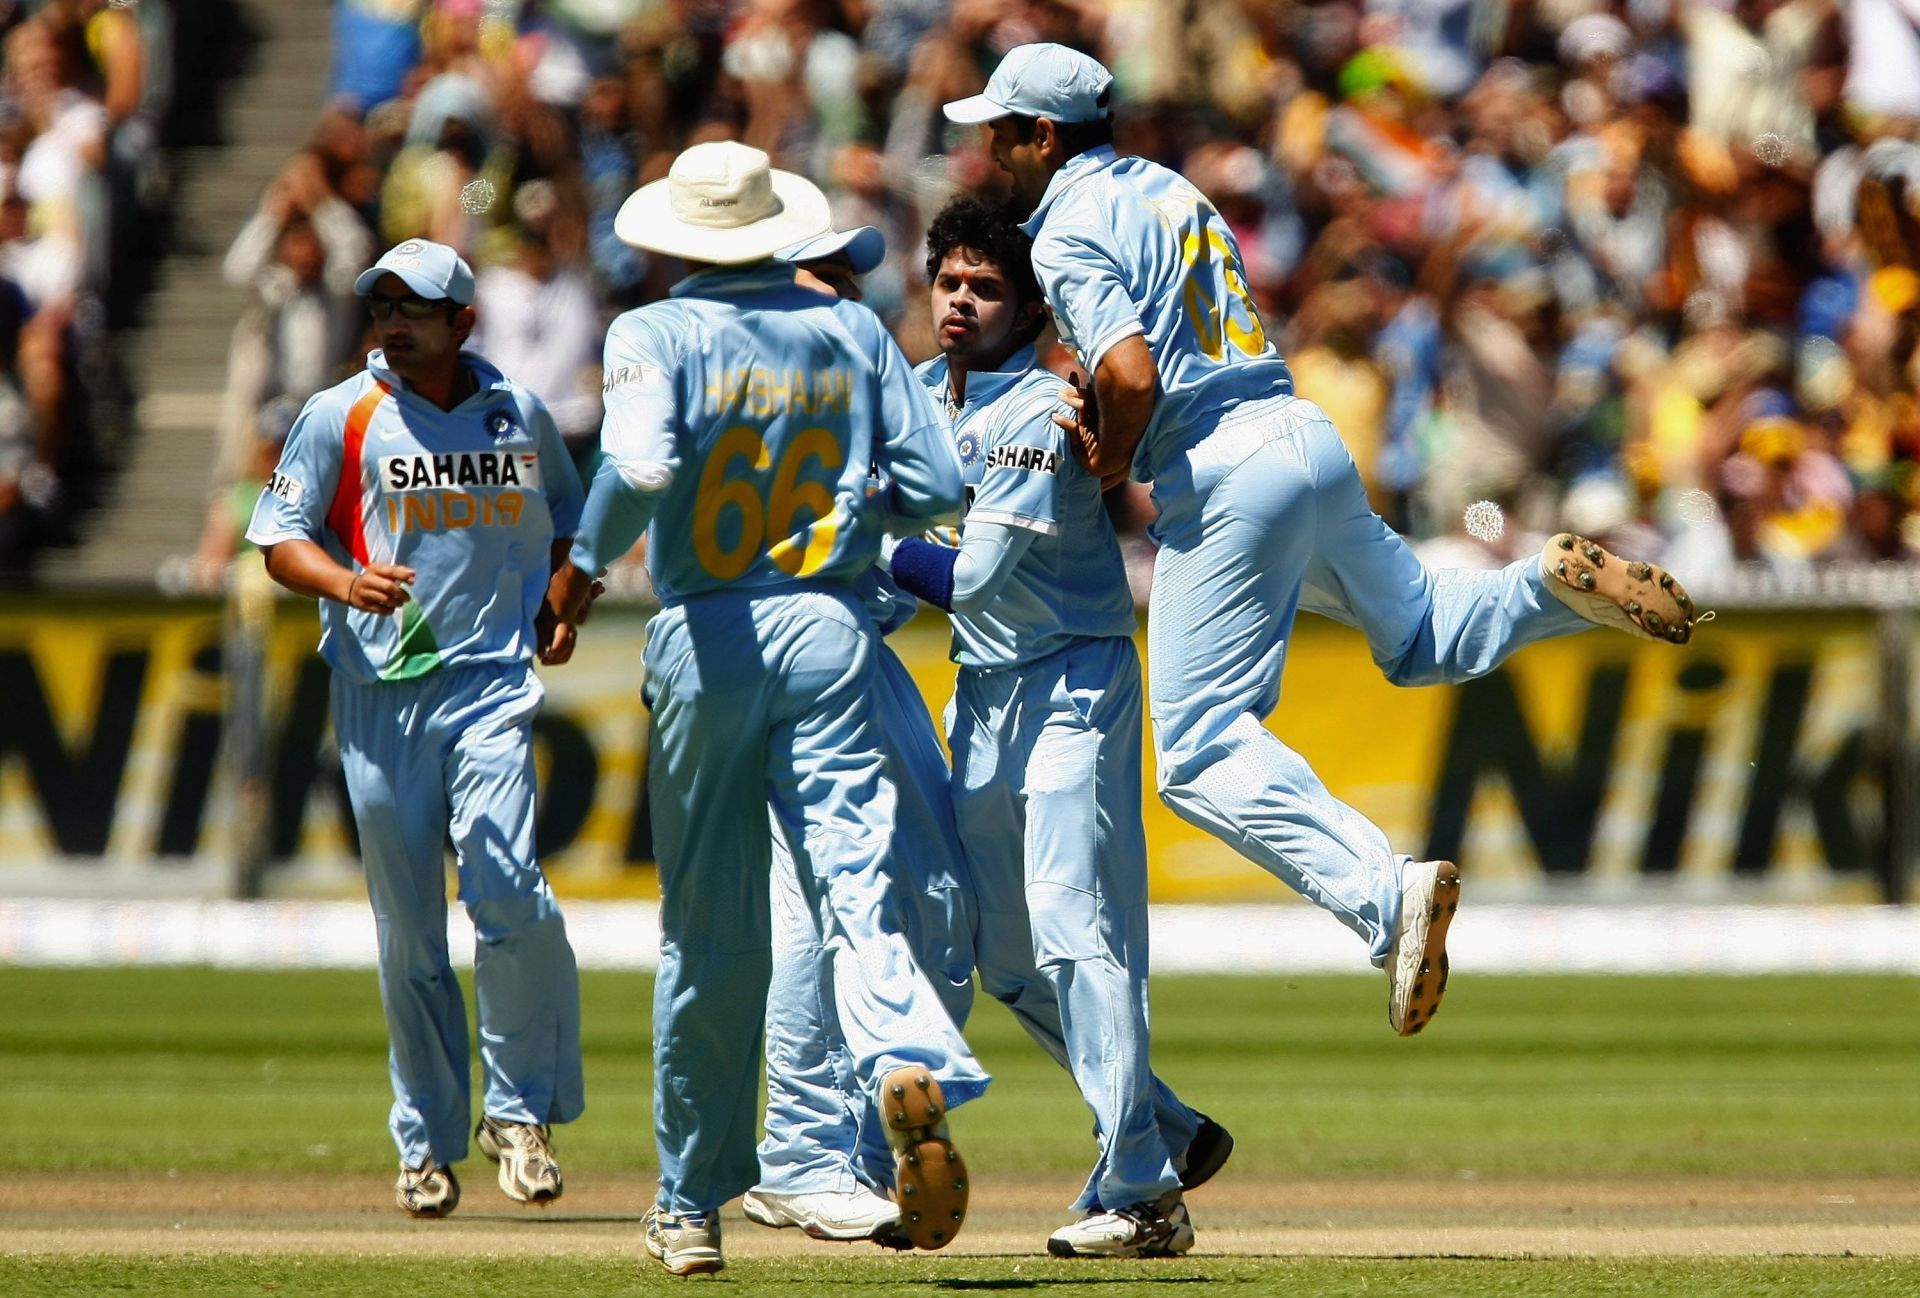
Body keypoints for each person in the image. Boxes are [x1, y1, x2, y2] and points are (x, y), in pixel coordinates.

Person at [943, 45, 1698, 1038]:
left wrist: (1115, 462)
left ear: (1043, 136)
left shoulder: (1068, 227)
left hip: (1217, 466)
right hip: (1300, 433)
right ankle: (1549, 587)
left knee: (1203, 748)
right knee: (1423, 632)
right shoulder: (1167, 188)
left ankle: (1388, 897)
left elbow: (1128, 371)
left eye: (1000, 131)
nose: (988, 149)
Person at [548, 142, 988, 1276]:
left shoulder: (654, 332)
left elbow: (638, 468)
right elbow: (942, 486)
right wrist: (846, 501)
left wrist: (577, 569)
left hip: (709, 635)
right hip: (831, 628)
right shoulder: (846, 330)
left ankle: (691, 1203)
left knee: (710, 931)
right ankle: (900, 1047)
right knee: (853, 881)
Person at [888, 194, 1230, 1257]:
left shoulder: (1040, 409)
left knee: (1075, 922)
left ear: (1031, 305)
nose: (960, 299)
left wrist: (853, 555)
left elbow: (974, 577)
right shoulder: (912, 402)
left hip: (1074, 681)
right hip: (982, 690)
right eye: (948, 279)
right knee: (1007, 959)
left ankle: (1139, 1185)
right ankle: (1165, 1128)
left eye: (984, 287)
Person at [245, 239, 587, 1218]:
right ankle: (427, 1139)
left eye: (416, 308)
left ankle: (517, 1116)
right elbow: (277, 535)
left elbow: (570, 514)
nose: (393, 323)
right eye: (382, 306)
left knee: (509, 885)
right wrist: (344, 579)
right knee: (409, 934)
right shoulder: (340, 413)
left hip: (488, 684)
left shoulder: (515, 413)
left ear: (463, 322)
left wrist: (560, 596)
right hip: (379, 690)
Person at [740, 221, 977, 1248]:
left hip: (840, 650)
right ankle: (807, 1153)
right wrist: (987, 580)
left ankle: (835, 1148)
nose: (848, 291)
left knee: (885, 900)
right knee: (845, 905)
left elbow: (897, 541)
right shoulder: (755, 393)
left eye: (852, 276)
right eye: (824, 273)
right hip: (793, 648)